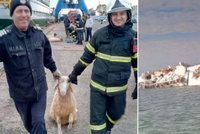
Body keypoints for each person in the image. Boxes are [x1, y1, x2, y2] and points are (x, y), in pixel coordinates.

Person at [68, 0, 137, 133]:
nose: (118, 17)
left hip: (119, 89)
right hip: (98, 87)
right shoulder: (99, 34)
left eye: (122, 13)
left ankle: (107, 129)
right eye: (114, 14)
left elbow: (136, 64)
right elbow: (86, 57)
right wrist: (74, 73)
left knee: (117, 113)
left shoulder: (134, 37)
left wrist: (138, 85)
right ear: (110, 17)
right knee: (97, 123)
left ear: (128, 15)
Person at [0, 0, 61, 133]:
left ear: (30, 14)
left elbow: (47, 56)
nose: (24, 14)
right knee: (29, 125)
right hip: (20, 94)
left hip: (40, 90)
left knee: (38, 122)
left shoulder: (39, 35)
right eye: (19, 11)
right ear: (12, 15)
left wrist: (54, 70)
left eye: (27, 11)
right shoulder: (4, 40)